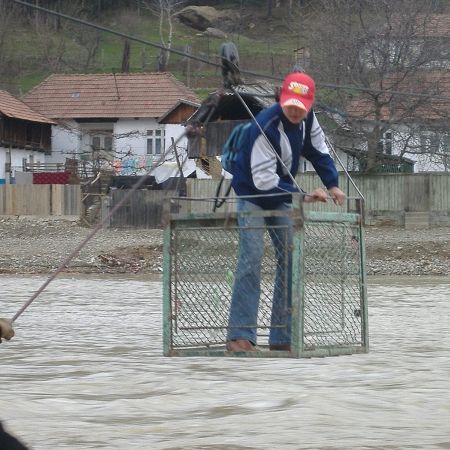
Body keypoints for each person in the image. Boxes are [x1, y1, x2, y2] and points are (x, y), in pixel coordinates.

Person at [226, 71, 346, 352]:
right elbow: (263, 183)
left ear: (309, 105)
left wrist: (333, 185)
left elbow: (319, 152)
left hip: (281, 192)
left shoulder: (309, 121)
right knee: (252, 257)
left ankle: (282, 336)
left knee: (291, 258)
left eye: (300, 107)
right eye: (290, 104)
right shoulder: (264, 128)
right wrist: (305, 196)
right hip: (253, 194)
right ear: (282, 99)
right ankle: (240, 335)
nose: (295, 111)